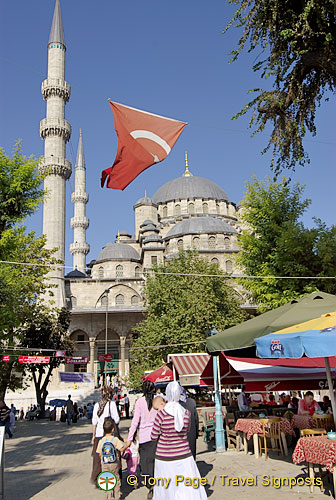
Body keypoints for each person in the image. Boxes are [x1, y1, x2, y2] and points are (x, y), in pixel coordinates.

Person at [151, 381, 207, 500]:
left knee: (166, 489)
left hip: (164, 457)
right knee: (185, 488)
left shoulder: (161, 414)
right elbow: (186, 431)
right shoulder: (186, 413)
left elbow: (153, 436)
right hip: (184, 455)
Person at [126, 380, 157, 500]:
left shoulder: (139, 402)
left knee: (145, 463)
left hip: (144, 438)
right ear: (153, 389)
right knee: (155, 462)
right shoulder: (158, 400)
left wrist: (130, 438)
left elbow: (135, 422)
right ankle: (156, 484)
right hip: (156, 436)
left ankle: (150, 485)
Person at [91, 386, 120, 484]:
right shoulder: (111, 404)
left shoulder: (97, 405)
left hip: (99, 434)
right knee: (112, 455)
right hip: (108, 434)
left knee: (98, 457)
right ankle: (113, 475)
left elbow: (94, 422)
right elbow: (116, 420)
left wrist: (93, 436)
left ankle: (97, 477)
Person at [97, 418, 127, 499]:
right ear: (113, 429)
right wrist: (127, 445)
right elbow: (121, 449)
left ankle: (109, 496)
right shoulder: (115, 439)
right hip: (114, 463)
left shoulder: (101, 441)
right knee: (116, 479)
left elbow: (99, 453)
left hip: (105, 464)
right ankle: (117, 495)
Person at [179, 386, 199, 460]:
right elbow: (196, 418)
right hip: (191, 431)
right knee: (192, 453)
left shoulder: (175, 404)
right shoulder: (191, 402)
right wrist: (196, 433)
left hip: (180, 433)